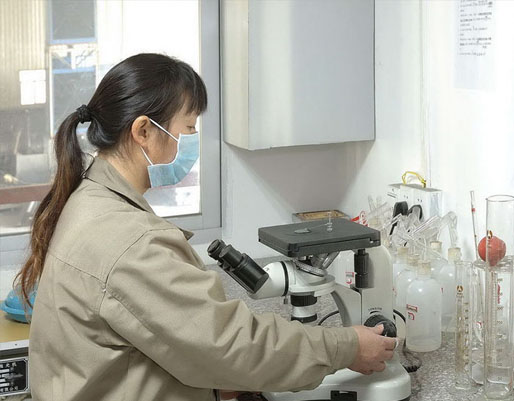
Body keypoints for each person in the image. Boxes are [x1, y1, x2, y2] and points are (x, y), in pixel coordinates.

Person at [17, 53, 395, 401]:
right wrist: (346, 347)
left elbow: (173, 343)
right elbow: (230, 344)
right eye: (188, 128)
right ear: (143, 131)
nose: (191, 143)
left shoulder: (88, 199)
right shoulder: (131, 242)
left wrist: (218, 379)